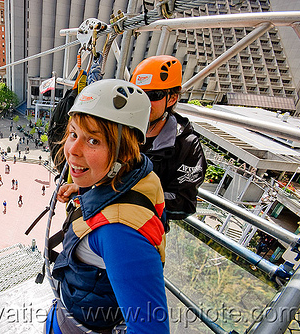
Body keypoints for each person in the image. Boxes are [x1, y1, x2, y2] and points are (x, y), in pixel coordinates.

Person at [46, 79, 168, 333]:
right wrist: (82, 189)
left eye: (93, 141)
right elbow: (127, 197)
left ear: (123, 151)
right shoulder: (138, 172)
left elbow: (150, 329)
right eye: (73, 134)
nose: (72, 151)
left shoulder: (120, 235)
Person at [130, 55, 207, 226]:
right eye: (139, 94)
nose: (145, 102)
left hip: (145, 229)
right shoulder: (121, 128)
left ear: (172, 99)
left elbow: (183, 203)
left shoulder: (186, 146)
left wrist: (128, 195)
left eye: (154, 95)